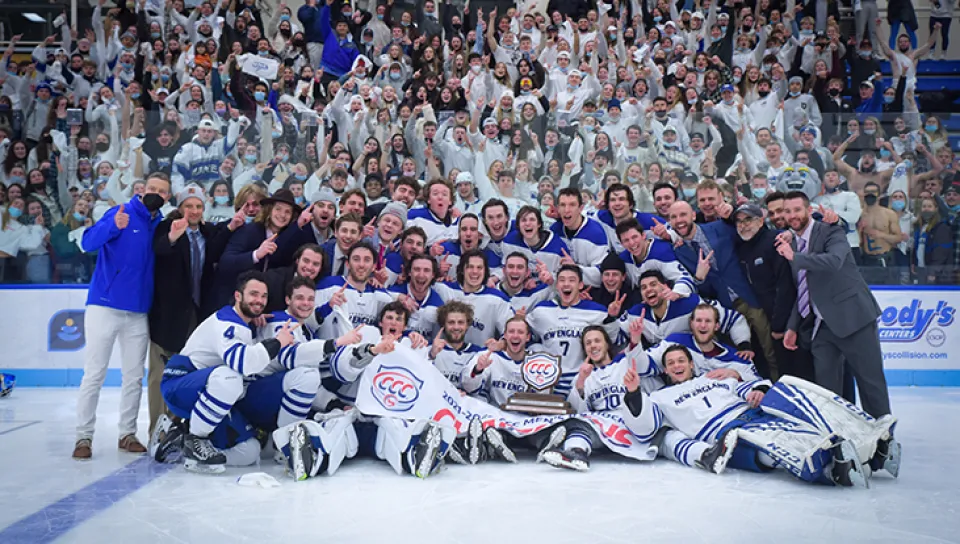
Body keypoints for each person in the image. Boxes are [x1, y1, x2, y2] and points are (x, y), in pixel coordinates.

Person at [647, 344, 899, 487]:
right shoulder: (660, 398)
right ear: (666, 370)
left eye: (681, 360)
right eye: (671, 363)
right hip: (729, 431)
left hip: (753, 411)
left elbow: (749, 387)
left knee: (794, 397)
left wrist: (758, 389)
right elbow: (657, 434)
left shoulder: (714, 378)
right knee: (773, 446)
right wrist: (701, 453)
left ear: (691, 364)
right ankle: (832, 469)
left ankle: (872, 444)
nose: (677, 366)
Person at [158, 271, 304, 473]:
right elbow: (242, 363)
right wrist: (278, 342)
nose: (259, 301)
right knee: (230, 376)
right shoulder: (226, 321)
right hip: (179, 385)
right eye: (253, 294)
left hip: (208, 391)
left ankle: (183, 440)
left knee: (249, 451)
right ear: (238, 296)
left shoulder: (245, 323)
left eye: (263, 296)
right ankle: (195, 441)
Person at [74, 172, 172, 460]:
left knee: (133, 376)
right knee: (94, 374)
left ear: (167, 196)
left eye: (162, 190)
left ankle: (127, 433)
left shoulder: (160, 225)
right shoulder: (120, 212)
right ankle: (83, 436)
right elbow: (88, 242)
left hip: (138, 311)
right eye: (151, 188)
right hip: (105, 305)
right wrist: (111, 228)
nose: (155, 193)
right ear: (141, 189)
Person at [776, 191, 892, 418]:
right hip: (821, 327)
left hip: (854, 319)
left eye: (797, 210)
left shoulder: (831, 231)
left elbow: (834, 262)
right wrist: (793, 325)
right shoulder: (792, 242)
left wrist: (794, 258)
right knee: (827, 393)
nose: (792, 215)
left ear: (809, 210)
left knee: (871, 384)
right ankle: (838, 442)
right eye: (787, 211)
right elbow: (803, 287)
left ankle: (884, 440)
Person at [147, 184, 237, 435]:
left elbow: (221, 240)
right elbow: (159, 249)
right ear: (180, 207)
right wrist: (174, 237)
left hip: (197, 315)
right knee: (159, 374)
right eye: (189, 206)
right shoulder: (167, 227)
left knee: (185, 373)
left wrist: (234, 224)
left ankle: (178, 427)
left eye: (198, 206)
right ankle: (157, 430)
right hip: (168, 315)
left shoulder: (207, 232)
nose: (194, 210)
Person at [859, 181, 902, 285]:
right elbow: (857, 242)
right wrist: (859, 230)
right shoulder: (859, 214)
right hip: (867, 260)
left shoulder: (889, 214)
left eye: (873, 192)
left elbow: (898, 238)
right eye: (867, 192)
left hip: (885, 258)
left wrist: (881, 235)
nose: (870, 194)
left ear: (879, 195)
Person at [912, 196, 953, 284]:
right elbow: (917, 247)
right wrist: (914, 262)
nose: (926, 209)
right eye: (924, 206)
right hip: (921, 269)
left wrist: (933, 271)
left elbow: (941, 252)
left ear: (936, 209)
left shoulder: (941, 227)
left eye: (929, 206)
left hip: (935, 273)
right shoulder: (919, 227)